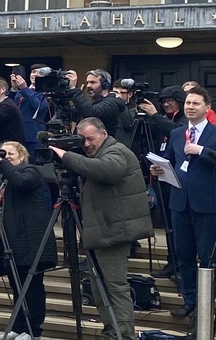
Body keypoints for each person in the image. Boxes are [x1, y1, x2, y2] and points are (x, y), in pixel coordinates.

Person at [49, 117, 150, 340]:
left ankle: (124, 335)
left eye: (90, 138)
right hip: (101, 231)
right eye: (82, 140)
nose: (86, 144)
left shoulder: (117, 151)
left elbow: (106, 170)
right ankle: (111, 331)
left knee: (115, 287)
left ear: (104, 134)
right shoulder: (97, 154)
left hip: (113, 232)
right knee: (98, 286)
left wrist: (66, 156)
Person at [154, 89, 216, 317]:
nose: (190, 107)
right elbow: (170, 160)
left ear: (207, 107)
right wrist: (158, 168)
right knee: (184, 254)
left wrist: (202, 151)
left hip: (206, 203)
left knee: (207, 255)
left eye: (195, 103)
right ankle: (189, 300)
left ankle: (206, 303)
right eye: (188, 103)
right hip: (180, 202)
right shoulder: (177, 133)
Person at [0, 142, 53, 340]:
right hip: (13, 240)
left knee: (31, 287)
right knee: (17, 287)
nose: (6, 156)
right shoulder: (6, 178)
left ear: (22, 156)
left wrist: (2, 163)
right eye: (3, 153)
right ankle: (18, 326)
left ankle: (33, 330)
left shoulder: (31, 170)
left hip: (31, 241)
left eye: (11, 153)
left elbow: (22, 183)